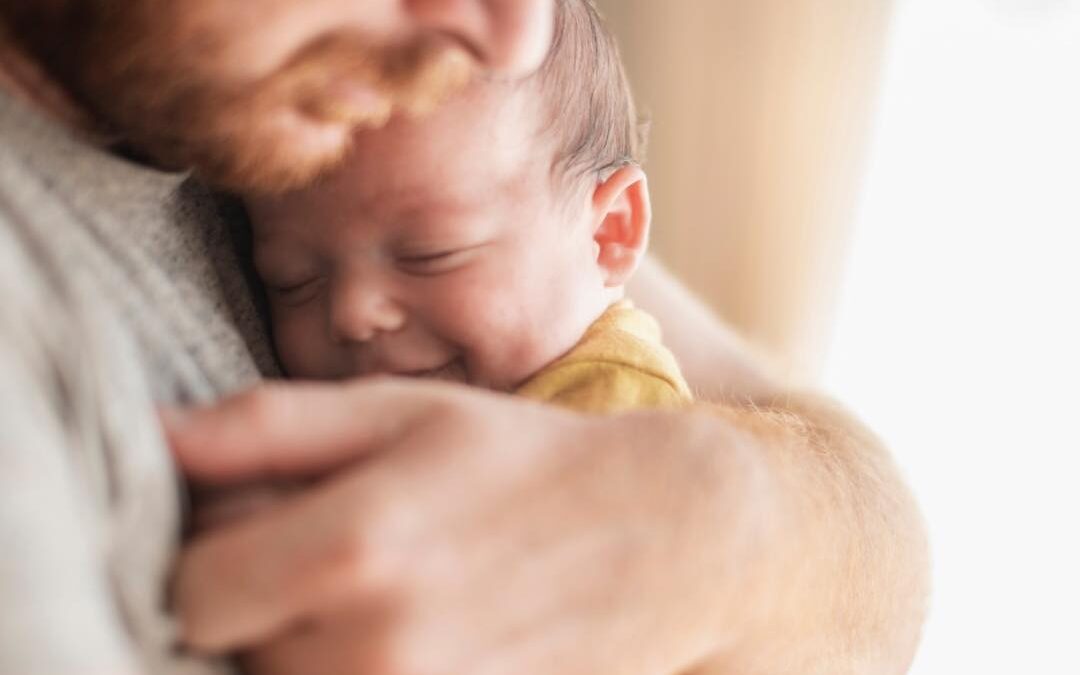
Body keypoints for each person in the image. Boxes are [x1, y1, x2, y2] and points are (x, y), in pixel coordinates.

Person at [0, 3, 929, 675]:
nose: (512, 31)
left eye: (434, 252)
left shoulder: (365, 113)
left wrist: (706, 517)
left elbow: (876, 542)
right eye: (291, 278)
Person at [246, 2, 690, 414]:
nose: (351, 313)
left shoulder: (611, 413)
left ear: (608, 234)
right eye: (293, 281)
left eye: (428, 254)